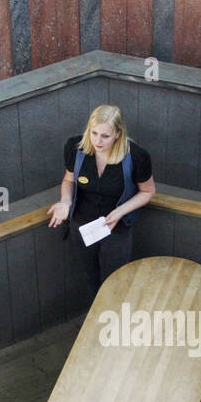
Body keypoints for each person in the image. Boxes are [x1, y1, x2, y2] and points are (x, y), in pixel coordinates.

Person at [45, 104, 155, 294]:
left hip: (115, 225)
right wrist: (65, 201)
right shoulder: (75, 148)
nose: (97, 141)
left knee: (115, 281)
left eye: (105, 136)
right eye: (93, 133)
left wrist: (120, 212)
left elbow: (148, 192)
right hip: (82, 224)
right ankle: (97, 320)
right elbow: (68, 179)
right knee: (91, 277)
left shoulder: (136, 156)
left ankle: (114, 320)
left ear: (118, 134)